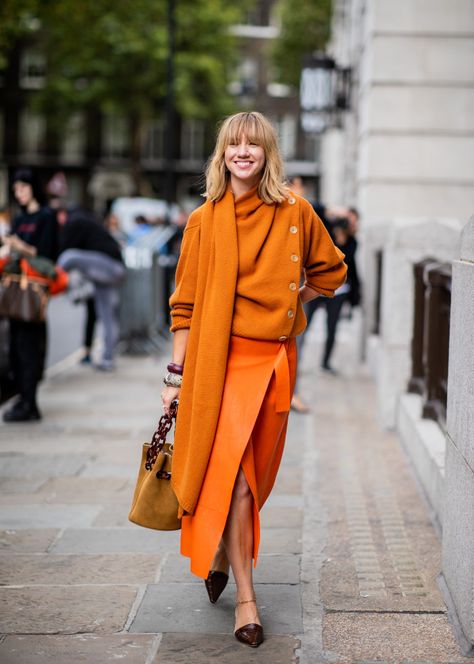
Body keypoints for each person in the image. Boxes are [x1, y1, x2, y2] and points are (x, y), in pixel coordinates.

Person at [161, 112, 347, 647]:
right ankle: (247, 598)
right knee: (236, 483)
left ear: (268, 153)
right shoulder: (203, 220)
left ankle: (224, 549)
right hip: (215, 367)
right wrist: (175, 376)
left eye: (254, 145)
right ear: (222, 154)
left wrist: (295, 304)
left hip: (270, 365)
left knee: (254, 482)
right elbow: (186, 306)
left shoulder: (295, 211)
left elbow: (331, 272)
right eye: (233, 145)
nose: (243, 152)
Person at [2, 168, 59, 422]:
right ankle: (22, 399)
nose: (19, 193)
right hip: (15, 288)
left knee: (29, 347)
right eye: (16, 189)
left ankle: (30, 402)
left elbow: (47, 254)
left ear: (33, 187)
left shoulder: (46, 217)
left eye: (23, 188)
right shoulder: (18, 218)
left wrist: (18, 246)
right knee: (14, 347)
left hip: (34, 291)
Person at [57, 209, 125, 371]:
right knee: (107, 316)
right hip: (112, 270)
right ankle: (107, 359)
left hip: (109, 267)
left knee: (68, 257)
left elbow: (65, 248)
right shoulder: (88, 224)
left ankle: (54, 280)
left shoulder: (75, 222)